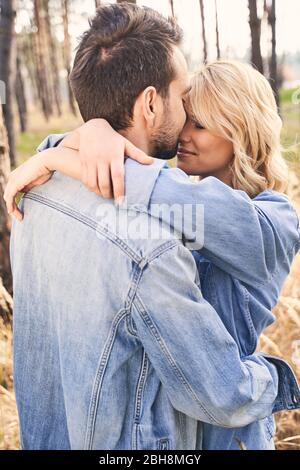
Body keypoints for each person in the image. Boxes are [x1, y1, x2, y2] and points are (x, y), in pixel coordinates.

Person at [6, 4, 300, 450]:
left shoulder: (271, 220)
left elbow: (192, 206)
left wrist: (68, 149)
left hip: (226, 435)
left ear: (239, 131)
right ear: (149, 102)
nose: (184, 129)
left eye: (199, 121)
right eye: (184, 109)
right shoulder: (165, 218)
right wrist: (84, 141)